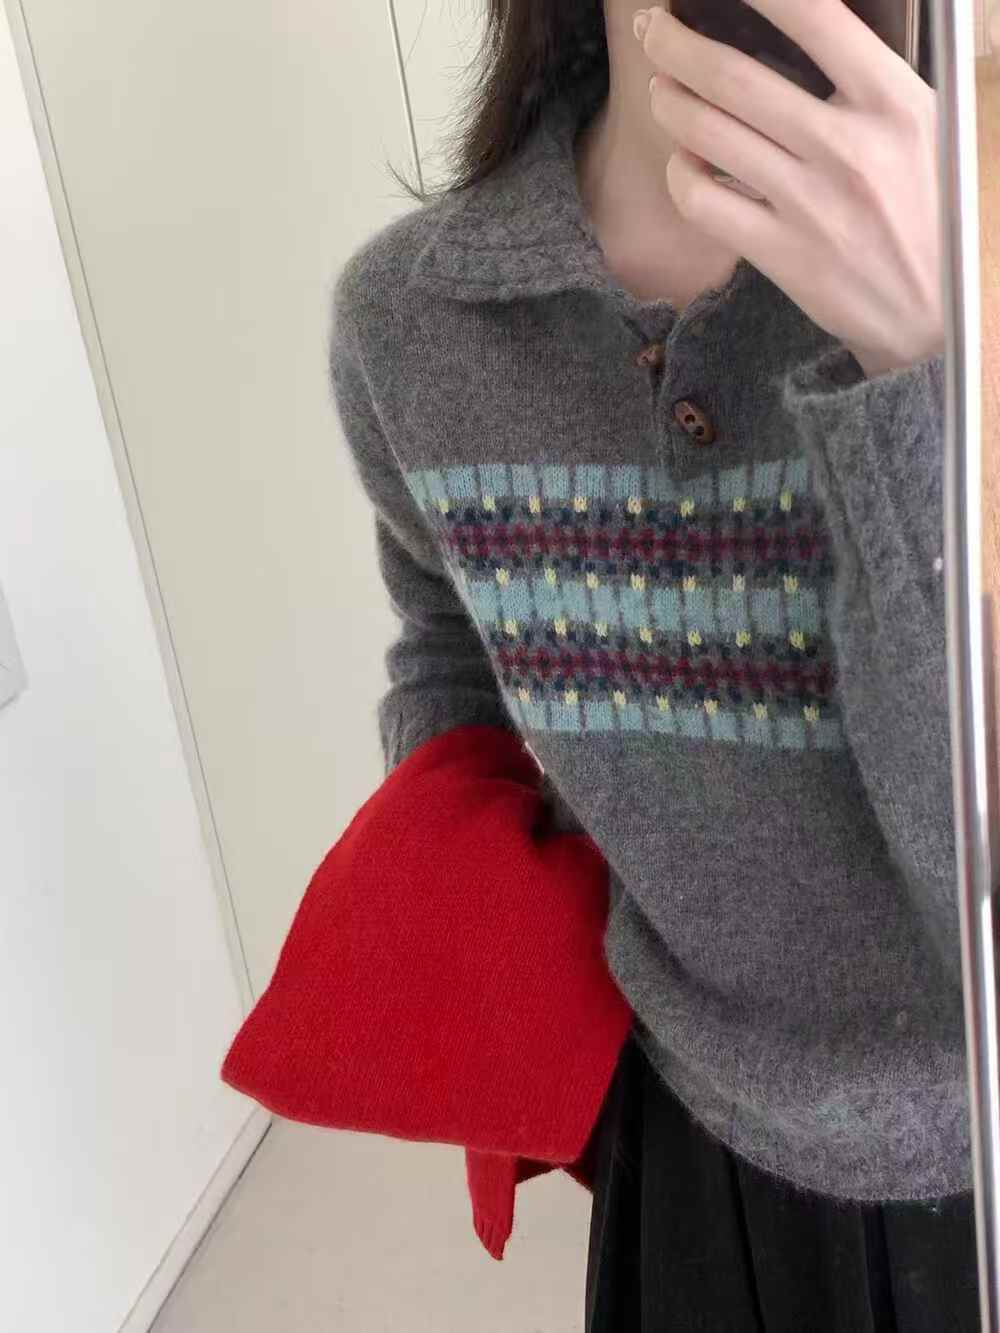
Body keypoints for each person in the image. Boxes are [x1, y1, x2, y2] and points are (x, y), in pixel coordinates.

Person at [327, 1, 980, 1327]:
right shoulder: (411, 321)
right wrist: (503, 921)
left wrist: (930, 365)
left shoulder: (983, 261)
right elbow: (444, 639)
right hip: (684, 1136)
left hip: (988, 1149)